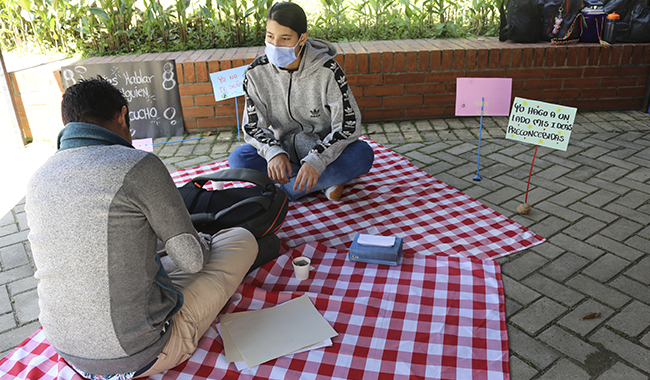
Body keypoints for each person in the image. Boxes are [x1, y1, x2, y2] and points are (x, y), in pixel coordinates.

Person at [25, 78, 259, 379]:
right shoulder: (138, 164)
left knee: (147, 255)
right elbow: (193, 260)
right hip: (143, 352)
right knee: (240, 239)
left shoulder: (38, 177)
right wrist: (197, 239)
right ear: (122, 116)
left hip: (66, 347)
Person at [228, 2, 375, 202]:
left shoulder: (328, 71)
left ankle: (284, 189)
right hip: (284, 152)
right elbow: (253, 127)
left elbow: (348, 125)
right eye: (270, 37)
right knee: (238, 158)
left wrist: (317, 160)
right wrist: (273, 152)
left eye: (285, 38)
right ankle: (321, 183)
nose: (275, 45)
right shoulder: (256, 73)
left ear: (302, 38)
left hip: (325, 151)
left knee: (362, 154)